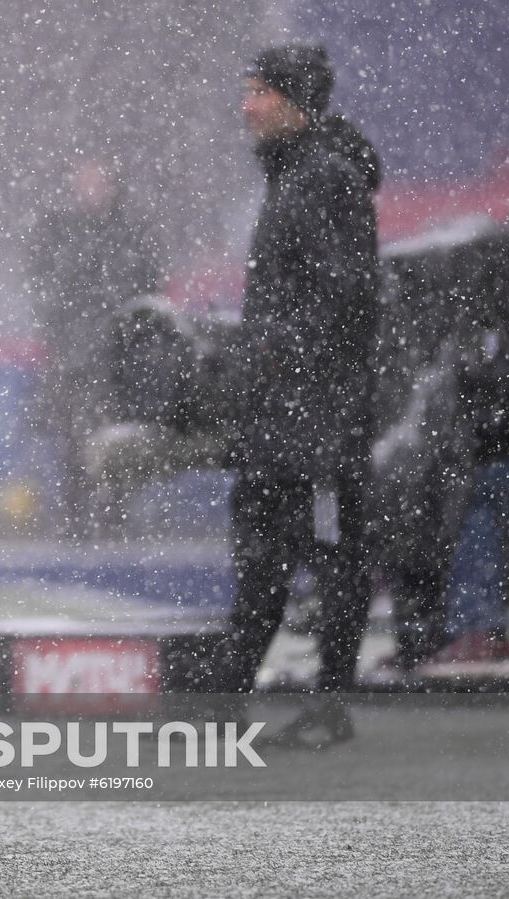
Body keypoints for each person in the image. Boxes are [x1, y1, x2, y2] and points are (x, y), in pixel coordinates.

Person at [214, 45, 382, 741]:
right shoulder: (294, 176)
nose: (247, 105)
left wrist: (281, 357)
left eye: (259, 92)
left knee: (321, 560)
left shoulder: (322, 180)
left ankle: (324, 706)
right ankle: (226, 705)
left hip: (315, 421)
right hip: (288, 415)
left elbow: (351, 297)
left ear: (294, 102)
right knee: (268, 561)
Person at [30, 155, 163, 538]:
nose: (91, 191)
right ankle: (77, 518)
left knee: (117, 440)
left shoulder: (130, 234)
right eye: (85, 182)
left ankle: (114, 517)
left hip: (117, 359)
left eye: (98, 182)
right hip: (74, 360)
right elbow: (44, 291)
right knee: (74, 440)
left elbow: (147, 291)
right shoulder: (60, 233)